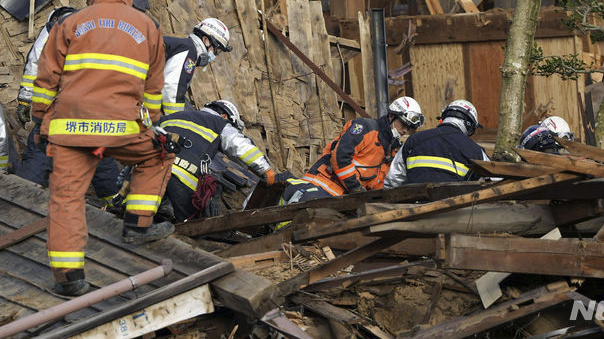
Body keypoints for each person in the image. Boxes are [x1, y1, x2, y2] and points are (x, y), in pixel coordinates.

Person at [31, 0, 173, 296]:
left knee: (66, 199)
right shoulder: (148, 28)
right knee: (158, 156)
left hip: (69, 129)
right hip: (122, 130)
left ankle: (69, 280)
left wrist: (41, 121)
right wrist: (152, 126)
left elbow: (46, 78)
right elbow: (154, 90)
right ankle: (138, 225)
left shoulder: (71, 23)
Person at [14, 6, 121, 198]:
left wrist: (25, 99)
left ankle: (22, 197)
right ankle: (115, 201)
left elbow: (36, 61)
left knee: (41, 151)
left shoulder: (56, 27)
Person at [159, 99, 286, 222]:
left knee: (148, 214)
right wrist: (265, 169)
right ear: (224, 116)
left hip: (153, 170)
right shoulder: (219, 123)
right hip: (183, 177)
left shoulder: (173, 116)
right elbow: (240, 146)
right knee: (190, 223)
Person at [295, 96, 425, 199]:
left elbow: (377, 183)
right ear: (391, 116)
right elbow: (341, 157)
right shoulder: (365, 128)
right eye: (403, 124)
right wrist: (357, 190)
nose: (405, 130)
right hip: (318, 188)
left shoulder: (390, 151)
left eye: (409, 128)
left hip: (344, 199)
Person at [383, 100, 490, 188]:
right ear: (469, 126)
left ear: (443, 118)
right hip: (455, 210)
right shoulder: (476, 151)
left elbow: (392, 182)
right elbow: (494, 182)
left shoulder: (413, 141)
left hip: (414, 210)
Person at [162, 18, 232, 115]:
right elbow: (172, 88)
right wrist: (175, 121)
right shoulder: (189, 50)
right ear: (206, 40)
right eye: (216, 50)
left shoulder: (185, 47)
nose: (215, 55)